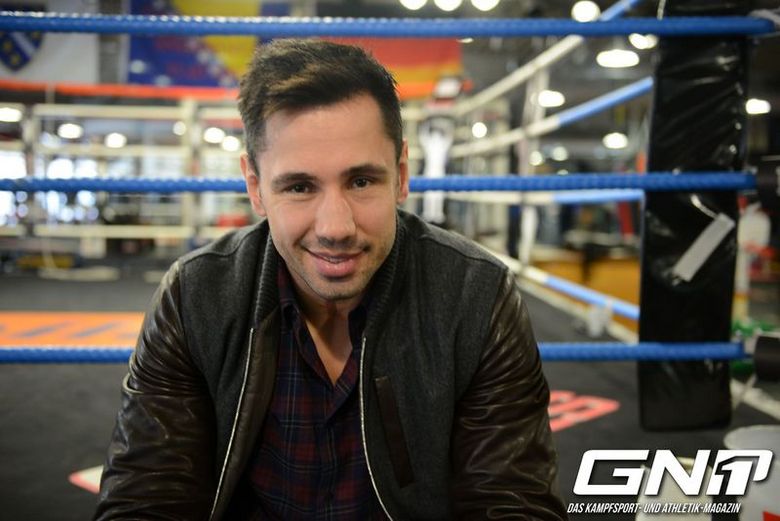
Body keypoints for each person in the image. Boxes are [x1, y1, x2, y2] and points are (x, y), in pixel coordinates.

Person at [94, 39, 567, 520]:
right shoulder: (195, 296)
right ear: (255, 188)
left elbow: (512, 501)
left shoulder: (476, 296)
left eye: (361, 181)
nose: (335, 227)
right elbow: (147, 495)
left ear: (402, 174)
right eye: (299, 187)